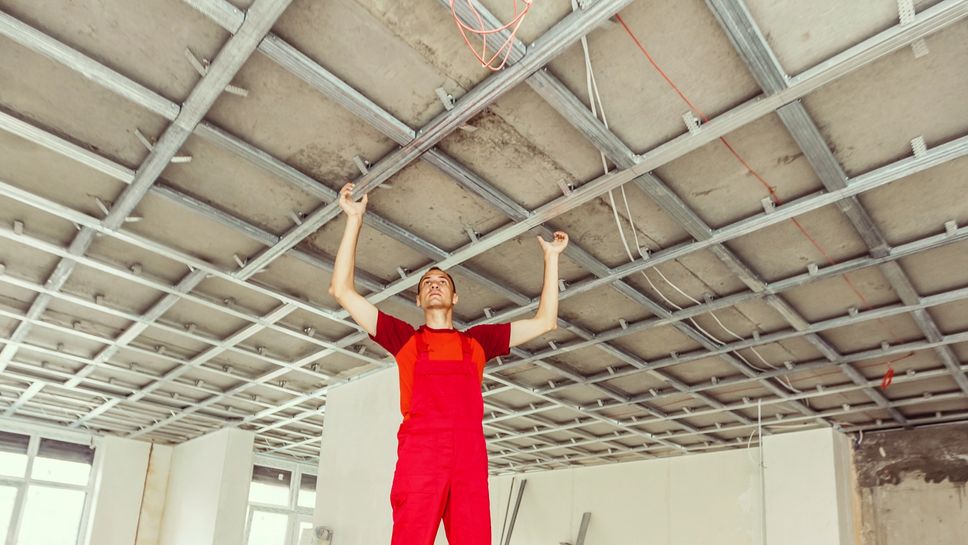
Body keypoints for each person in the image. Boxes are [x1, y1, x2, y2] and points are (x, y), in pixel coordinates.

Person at [328, 182, 569, 545]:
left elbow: (545, 321)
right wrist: (354, 220)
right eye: (427, 283)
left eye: (442, 281)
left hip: (469, 461)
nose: (435, 285)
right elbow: (342, 291)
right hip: (420, 460)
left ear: (454, 296)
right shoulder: (404, 339)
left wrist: (552, 259)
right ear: (420, 298)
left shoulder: (479, 342)